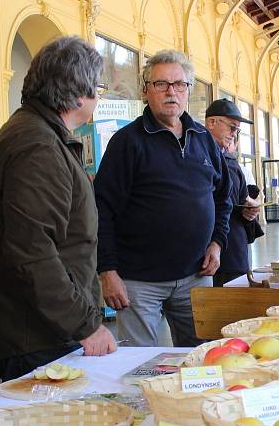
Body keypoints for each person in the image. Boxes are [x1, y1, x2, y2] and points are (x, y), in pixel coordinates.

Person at [0, 36, 117, 382]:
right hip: (38, 336)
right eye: (99, 88)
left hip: (42, 330)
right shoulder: (39, 145)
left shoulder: (36, 134)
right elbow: (33, 252)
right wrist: (86, 326)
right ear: (79, 93)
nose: (98, 97)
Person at [95, 50, 231, 347]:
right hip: (139, 283)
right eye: (161, 84)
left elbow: (223, 198)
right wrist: (108, 272)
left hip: (196, 276)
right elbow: (101, 209)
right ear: (146, 91)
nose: (171, 92)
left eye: (179, 84)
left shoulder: (203, 139)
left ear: (188, 91)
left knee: (201, 360)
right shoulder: (127, 142)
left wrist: (218, 243)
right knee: (141, 369)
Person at [204, 99, 263, 287]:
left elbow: (242, 200)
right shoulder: (198, 155)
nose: (234, 134)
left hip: (235, 248)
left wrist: (249, 211)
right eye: (231, 127)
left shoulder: (231, 161)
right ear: (212, 123)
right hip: (209, 250)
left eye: (237, 130)